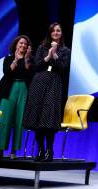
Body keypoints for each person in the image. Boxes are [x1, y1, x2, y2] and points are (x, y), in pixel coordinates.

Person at [22, 23, 70, 162]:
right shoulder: (42, 47)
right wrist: (48, 56)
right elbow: (36, 66)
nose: (55, 32)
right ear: (50, 33)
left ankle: (50, 150)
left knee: (48, 118)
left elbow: (62, 68)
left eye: (58, 30)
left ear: (61, 33)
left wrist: (54, 54)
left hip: (54, 82)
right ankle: (41, 150)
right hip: (39, 81)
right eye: (53, 30)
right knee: (37, 118)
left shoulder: (65, 51)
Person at [0, 35, 33, 160]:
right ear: (16, 45)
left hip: (23, 89)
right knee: (5, 120)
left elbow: (29, 74)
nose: (23, 45)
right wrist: (15, 60)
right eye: (21, 43)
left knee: (19, 121)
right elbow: (7, 73)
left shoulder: (30, 60)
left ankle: (14, 151)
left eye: (25, 44)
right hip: (9, 90)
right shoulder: (8, 58)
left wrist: (25, 60)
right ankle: (0, 150)